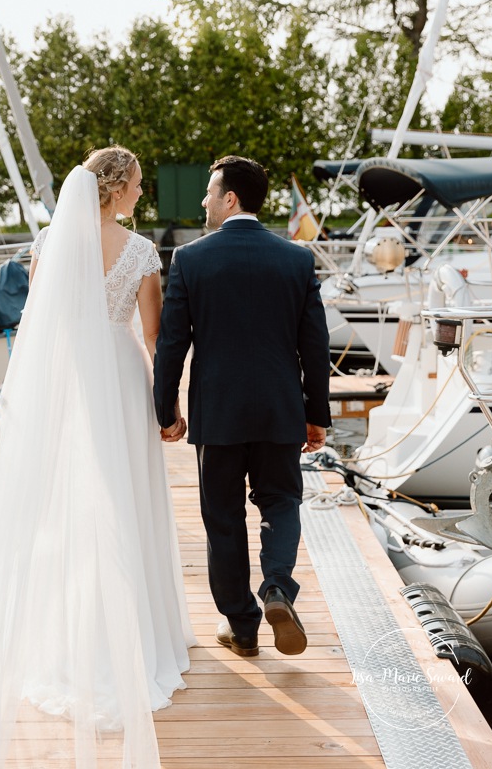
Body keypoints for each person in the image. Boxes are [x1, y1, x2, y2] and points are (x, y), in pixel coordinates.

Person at [0, 146, 193, 769]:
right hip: (122, 380)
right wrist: (172, 408)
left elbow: (40, 325)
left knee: (67, 505)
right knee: (126, 498)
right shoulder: (139, 253)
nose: (140, 195)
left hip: (71, 383)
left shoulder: (51, 244)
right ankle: (132, 638)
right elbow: (156, 337)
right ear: (117, 187)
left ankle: (70, 642)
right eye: (135, 185)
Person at [153, 155, 330, 659]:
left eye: (210, 192)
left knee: (224, 518)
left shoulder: (192, 259)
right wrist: (315, 414)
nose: (204, 201)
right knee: (280, 502)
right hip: (279, 410)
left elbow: (171, 346)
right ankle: (276, 586)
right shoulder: (297, 260)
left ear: (230, 198)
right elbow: (314, 347)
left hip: (219, 414)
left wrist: (165, 411)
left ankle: (243, 628)